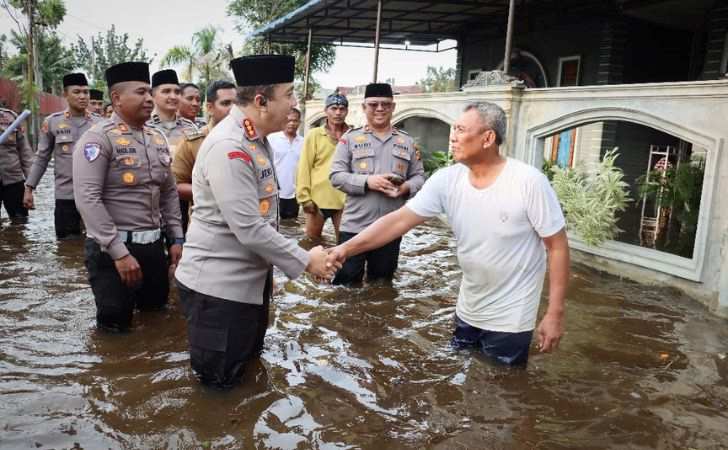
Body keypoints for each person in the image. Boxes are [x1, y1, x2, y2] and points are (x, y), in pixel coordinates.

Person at [327, 102, 570, 366]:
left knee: (503, 390)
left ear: (487, 138)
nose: (451, 136)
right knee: (461, 374)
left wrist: (554, 313)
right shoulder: (447, 180)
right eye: (453, 128)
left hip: (511, 316)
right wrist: (344, 249)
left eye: (461, 129)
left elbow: (557, 247)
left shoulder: (528, 182)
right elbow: (397, 222)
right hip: (469, 307)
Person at [175, 55, 337, 389]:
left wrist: (267, 274)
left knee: (245, 377)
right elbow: (248, 227)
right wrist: (307, 259)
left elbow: (262, 218)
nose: (295, 105)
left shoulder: (254, 139)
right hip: (218, 293)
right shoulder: (229, 146)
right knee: (219, 389)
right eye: (289, 94)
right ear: (262, 102)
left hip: (245, 287)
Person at [73, 61, 184, 332]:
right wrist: (119, 254)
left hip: (153, 249)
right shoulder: (98, 139)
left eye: (149, 92)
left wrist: (177, 239)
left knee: (157, 318)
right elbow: (88, 199)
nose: (149, 99)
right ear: (117, 98)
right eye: (140, 92)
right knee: (115, 329)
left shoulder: (156, 138)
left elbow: (168, 192)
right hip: (110, 252)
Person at [329, 83, 424, 285]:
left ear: (393, 107)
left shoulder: (407, 142)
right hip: (355, 227)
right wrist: (367, 182)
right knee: (345, 286)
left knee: (382, 286)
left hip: (390, 228)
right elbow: (336, 176)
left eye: (385, 104)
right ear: (364, 107)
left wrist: (405, 188)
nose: (380, 109)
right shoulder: (350, 139)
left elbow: (419, 178)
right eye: (373, 104)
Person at [24, 73, 104, 239]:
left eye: (85, 92)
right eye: (77, 92)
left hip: (96, 196)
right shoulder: (52, 122)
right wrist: (29, 187)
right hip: (66, 196)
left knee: (98, 244)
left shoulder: (101, 124)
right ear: (65, 94)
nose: (83, 96)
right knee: (65, 247)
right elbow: (42, 157)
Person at [172, 80, 237, 233]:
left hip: (244, 226)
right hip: (207, 227)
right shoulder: (194, 142)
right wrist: (212, 192)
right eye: (226, 103)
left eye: (236, 103)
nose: (233, 109)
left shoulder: (248, 140)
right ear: (210, 108)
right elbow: (176, 185)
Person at [296, 93, 349, 240]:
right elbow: (304, 167)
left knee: (345, 242)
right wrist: (304, 198)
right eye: (334, 108)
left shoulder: (352, 135)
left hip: (344, 199)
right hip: (317, 200)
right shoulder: (314, 135)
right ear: (326, 111)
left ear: (347, 111)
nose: (338, 112)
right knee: (312, 242)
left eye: (342, 108)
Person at [147, 69, 198, 156]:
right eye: (166, 91)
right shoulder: (144, 127)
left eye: (177, 92)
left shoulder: (190, 128)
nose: (173, 96)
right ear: (152, 95)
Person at [268, 107, 303, 220]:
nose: (292, 123)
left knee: (292, 223)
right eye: (289, 120)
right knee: (274, 223)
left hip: (295, 194)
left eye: (295, 120)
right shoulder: (272, 139)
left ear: (299, 122)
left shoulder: (304, 142)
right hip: (274, 192)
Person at [0, 106, 33, 223]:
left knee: (20, 222)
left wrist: (30, 185)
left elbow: (25, 152)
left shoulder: (10, 117)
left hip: (13, 180)